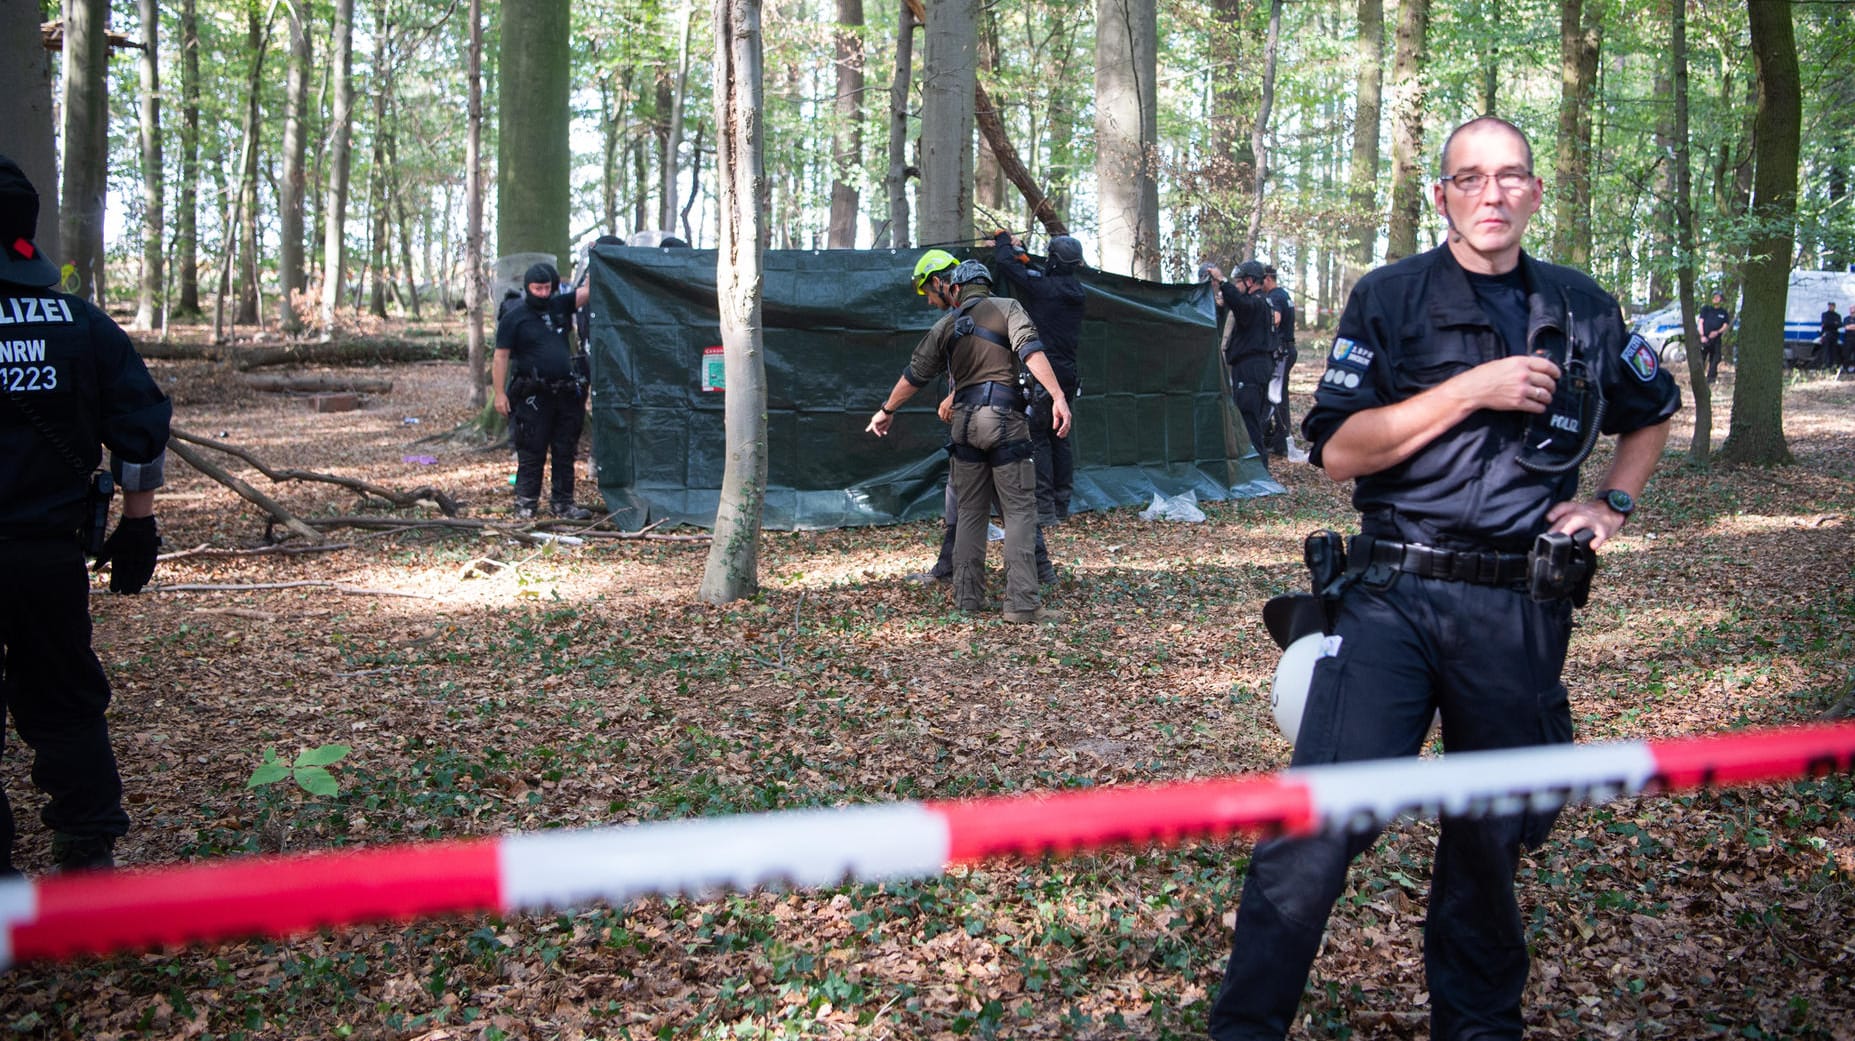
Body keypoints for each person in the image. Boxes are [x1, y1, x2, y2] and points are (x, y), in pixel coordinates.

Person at [1207, 117, 1681, 1040]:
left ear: (1534, 192)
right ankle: (1244, 1029)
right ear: (1442, 196)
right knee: (1314, 832)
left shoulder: (1584, 307)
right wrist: (1472, 388)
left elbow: (1649, 411)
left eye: (1509, 177)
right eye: (1469, 178)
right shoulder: (1389, 297)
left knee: (1487, 844)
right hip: (1391, 597)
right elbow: (1339, 452)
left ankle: (1477, 1027)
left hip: (1517, 610)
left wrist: (1610, 506)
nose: (1490, 195)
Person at [0, 155, 173, 875]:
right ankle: (87, 843)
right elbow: (138, 421)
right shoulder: (79, 322)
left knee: (65, 695)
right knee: (65, 698)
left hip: (46, 547)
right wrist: (138, 523)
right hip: (48, 556)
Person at [868, 259, 1071, 623]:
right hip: (1004, 422)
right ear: (986, 285)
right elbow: (1030, 351)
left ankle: (967, 598)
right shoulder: (1008, 308)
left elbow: (913, 375)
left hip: (962, 428)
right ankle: (1022, 605)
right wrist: (1057, 396)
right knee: (1019, 512)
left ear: (957, 288)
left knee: (970, 515)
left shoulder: (946, 325)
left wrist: (886, 410)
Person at [906, 249, 1056, 588]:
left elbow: (1000, 363)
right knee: (974, 503)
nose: (930, 302)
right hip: (980, 420)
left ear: (943, 283)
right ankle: (956, 575)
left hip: (991, 419)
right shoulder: (960, 321)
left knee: (1009, 505)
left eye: (930, 293)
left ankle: (1016, 580)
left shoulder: (984, 314)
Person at [992, 230, 1086, 525]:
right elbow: (1031, 271)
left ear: (1054, 261)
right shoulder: (1076, 291)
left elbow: (1009, 266)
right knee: (1060, 438)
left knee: (1041, 436)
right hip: (1068, 372)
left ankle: (1045, 510)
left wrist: (1003, 240)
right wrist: (1022, 252)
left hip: (1044, 371)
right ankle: (1060, 505)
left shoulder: (1045, 288)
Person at [494, 262, 594, 520]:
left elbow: (587, 292)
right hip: (532, 395)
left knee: (564, 450)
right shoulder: (514, 317)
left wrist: (598, 255)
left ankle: (563, 504)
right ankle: (525, 504)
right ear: (527, 287)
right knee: (531, 452)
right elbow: (500, 357)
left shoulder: (560, 305)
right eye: (536, 288)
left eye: (546, 287)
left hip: (565, 394)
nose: (542, 293)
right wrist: (499, 394)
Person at [1204, 259, 1276, 470]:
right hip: (1257, 367)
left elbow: (1242, 305)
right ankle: (1256, 467)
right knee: (1252, 419)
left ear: (1250, 281)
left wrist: (1222, 281)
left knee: (1248, 419)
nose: (1236, 286)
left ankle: (1256, 470)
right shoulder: (1260, 303)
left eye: (1238, 282)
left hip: (1251, 369)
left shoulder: (1257, 302)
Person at [1262, 264, 1298, 457]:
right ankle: (1276, 437)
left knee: (1276, 395)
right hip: (1287, 349)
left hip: (1281, 351)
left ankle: (1282, 440)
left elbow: (1275, 319)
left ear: (1268, 279)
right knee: (1277, 393)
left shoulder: (1275, 296)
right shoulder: (1284, 294)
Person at [1697, 290, 1730, 383]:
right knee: (1701, 359)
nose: (1715, 298)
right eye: (1714, 296)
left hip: (1716, 340)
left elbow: (1725, 325)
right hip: (1704, 339)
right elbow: (1700, 322)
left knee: (1715, 358)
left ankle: (1711, 379)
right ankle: (1699, 379)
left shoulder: (1723, 312)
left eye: (1718, 296)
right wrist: (1702, 335)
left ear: (1721, 299)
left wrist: (1717, 332)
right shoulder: (1706, 309)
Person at [1820, 302, 1842, 372]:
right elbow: (1825, 323)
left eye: (1832, 306)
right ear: (1828, 306)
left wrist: (1831, 323)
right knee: (1826, 351)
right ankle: (1825, 366)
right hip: (1827, 334)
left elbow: (1840, 324)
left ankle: (1832, 367)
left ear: (1834, 307)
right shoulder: (1825, 314)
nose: (1831, 307)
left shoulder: (1837, 315)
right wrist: (1834, 323)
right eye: (1830, 306)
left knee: (1833, 352)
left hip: (1835, 335)